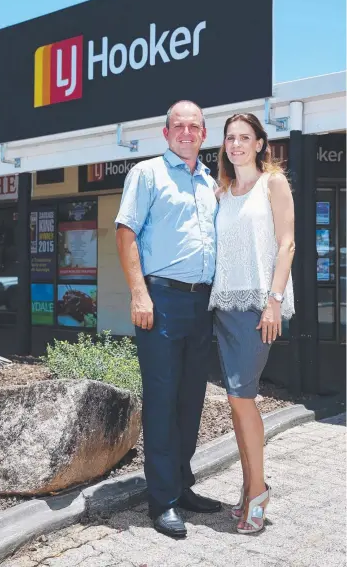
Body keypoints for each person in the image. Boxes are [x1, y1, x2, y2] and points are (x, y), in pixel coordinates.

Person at [115, 100, 221, 539]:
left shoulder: (209, 181)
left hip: (202, 305)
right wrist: (139, 292)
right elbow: (125, 232)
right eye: (179, 126)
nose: (187, 132)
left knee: (191, 399)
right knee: (161, 401)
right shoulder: (147, 174)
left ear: (203, 133)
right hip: (160, 300)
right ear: (165, 133)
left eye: (194, 126)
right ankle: (162, 501)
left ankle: (181, 484)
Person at [208, 113, 295, 534]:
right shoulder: (222, 191)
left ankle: (257, 492)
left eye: (245, 137)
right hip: (224, 306)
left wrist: (274, 302)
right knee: (235, 401)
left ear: (260, 143)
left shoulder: (273, 183)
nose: (237, 144)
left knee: (243, 398)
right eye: (230, 138)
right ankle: (248, 489)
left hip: (258, 306)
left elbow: (288, 244)